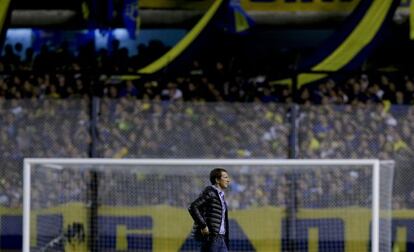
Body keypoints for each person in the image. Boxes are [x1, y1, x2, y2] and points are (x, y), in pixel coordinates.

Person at [188, 168, 231, 252]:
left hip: (221, 238)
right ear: (217, 180)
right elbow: (193, 207)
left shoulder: (220, 196)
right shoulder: (210, 192)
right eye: (225, 177)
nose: (228, 180)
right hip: (212, 238)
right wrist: (203, 226)